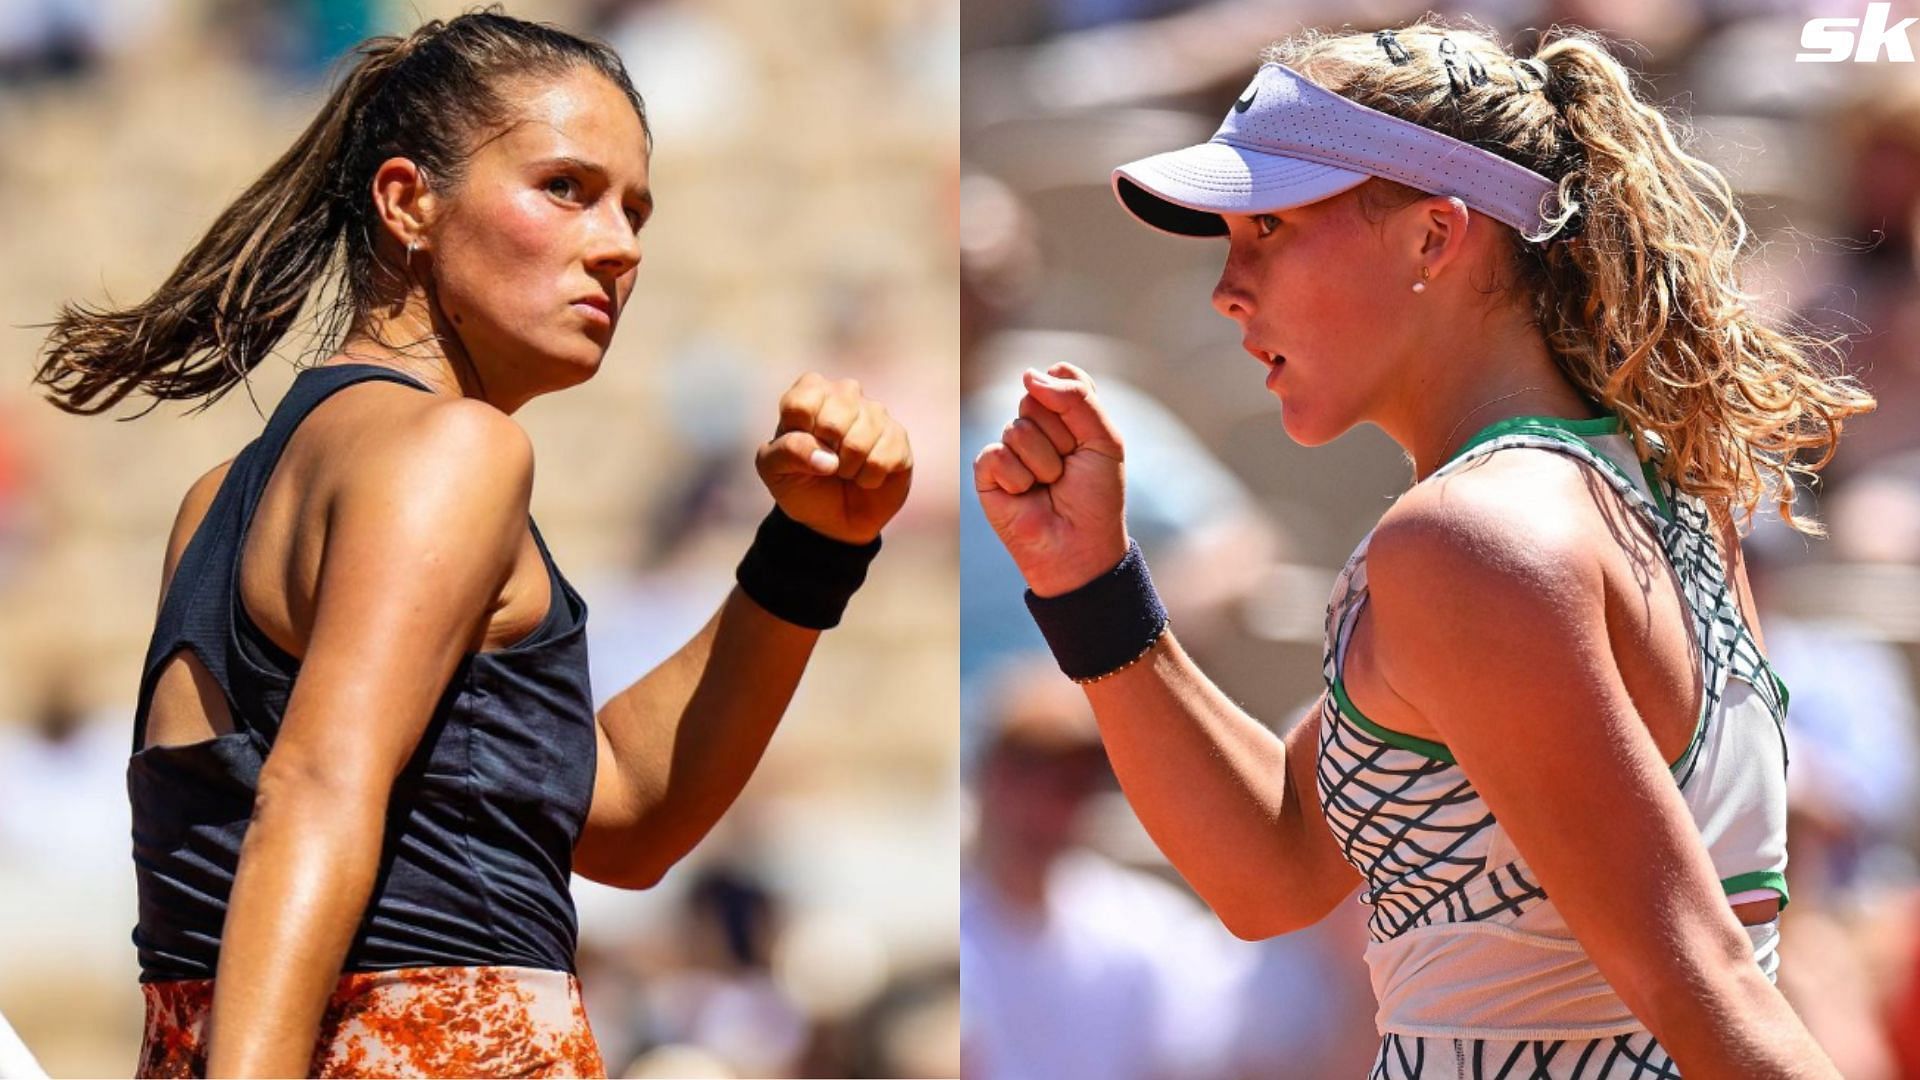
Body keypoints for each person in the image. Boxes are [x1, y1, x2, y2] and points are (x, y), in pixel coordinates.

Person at [973, 18, 1872, 1079]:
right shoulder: (1650, 489)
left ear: (1434, 238)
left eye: (1270, 232)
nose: (1227, 287)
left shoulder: (1471, 540)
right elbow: (1274, 868)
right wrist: (1092, 589)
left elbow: (1700, 980)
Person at [34, 11, 911, 1078]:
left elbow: (624, 814)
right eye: (566, 188)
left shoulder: (219, 498)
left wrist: (809, 553)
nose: (620, 243)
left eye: (635, 209)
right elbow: (317, 791)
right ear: (409, 202)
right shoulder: (456, 451)